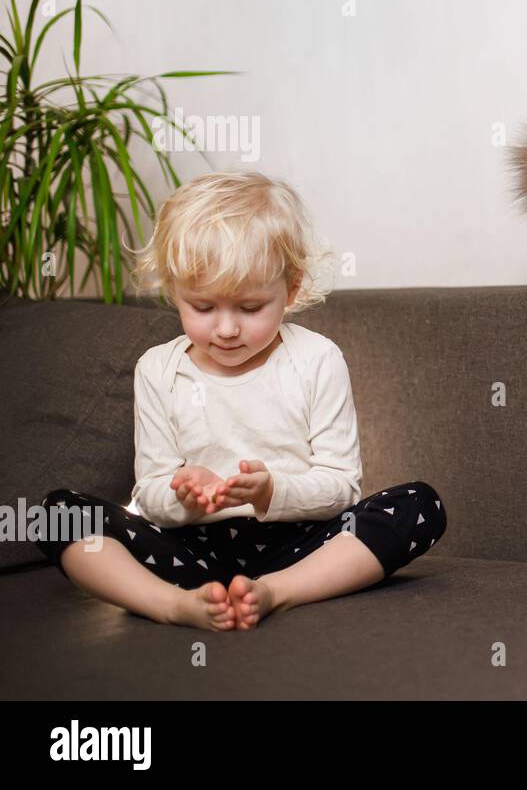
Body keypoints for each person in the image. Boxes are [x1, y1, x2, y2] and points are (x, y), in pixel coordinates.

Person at [36, 170, 447, 631]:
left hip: (299, 551)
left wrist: (272, 490)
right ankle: (171, 604)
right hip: (189, 553)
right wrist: (185, 494)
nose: (227, 329)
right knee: (59, 514)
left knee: (419, 505)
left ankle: (277, 593)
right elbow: (148, 498)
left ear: (291, 289)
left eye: (250, 308)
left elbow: (341, 487)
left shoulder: (316, 359)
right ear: (174, 292)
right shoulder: (158, 369)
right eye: (203, 307)